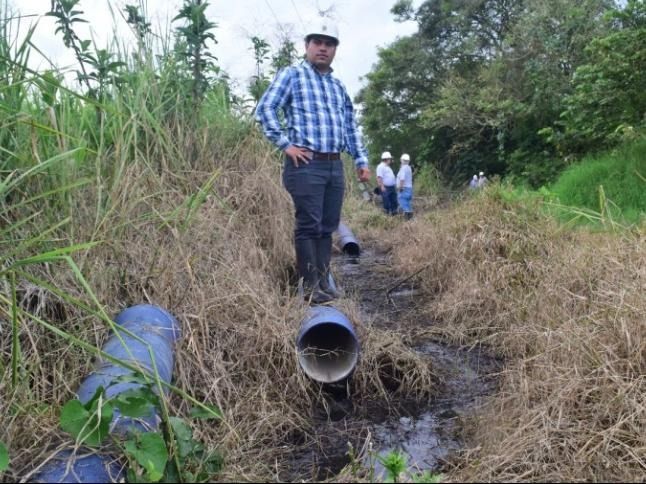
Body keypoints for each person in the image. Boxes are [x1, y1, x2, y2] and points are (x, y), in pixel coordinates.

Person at [255, 19, 371, 304]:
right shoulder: (292, 75)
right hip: (305, 164)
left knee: (328, 225)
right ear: (307, 46)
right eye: (317, 42)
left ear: (335, 50)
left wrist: (361, 160)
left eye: (329, 44)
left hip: (334, 165)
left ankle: (323, 281)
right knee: (309, 223)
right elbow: (265, 108)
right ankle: (309, 287)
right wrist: (286, 145)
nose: (323, 48)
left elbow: (349, 126)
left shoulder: (337, 87)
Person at [396, 153, 413, 220]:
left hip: (404, 188)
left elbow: (402, 179)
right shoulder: (409, 168)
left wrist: (400, 187)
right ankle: (410, 219)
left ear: (402, 160)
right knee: (408, 203)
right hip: (409, 188)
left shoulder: (403, 168)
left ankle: (407, 219)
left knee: (403, 202)